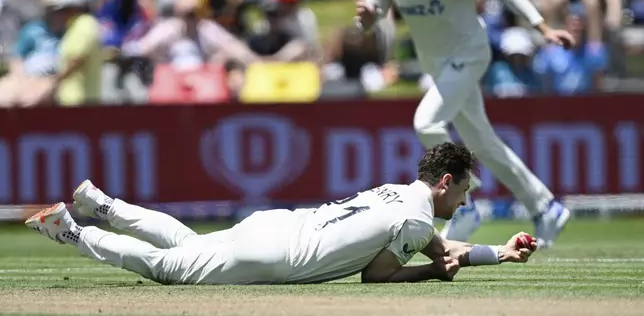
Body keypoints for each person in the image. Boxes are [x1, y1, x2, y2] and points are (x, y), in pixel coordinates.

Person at [26, 142, 536, 285]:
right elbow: (380, 275)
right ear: (444, 183)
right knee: (166, 268)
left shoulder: (397, 194)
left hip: (276, 223)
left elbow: (443, 248)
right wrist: (433, 272)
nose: (465, 202)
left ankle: (100, 203)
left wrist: (499, 254)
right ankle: (70, 230)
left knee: (183, 242)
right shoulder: (419, 219)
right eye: (464, 191)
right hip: (278, 256)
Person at [355, 0, 573, 248]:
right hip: (437, 65)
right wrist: (368, 17)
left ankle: (465, 206)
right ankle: (545, 206)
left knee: (427, 123)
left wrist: (542, 27)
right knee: (483, 143)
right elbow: (373, 14)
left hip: (469, 53)